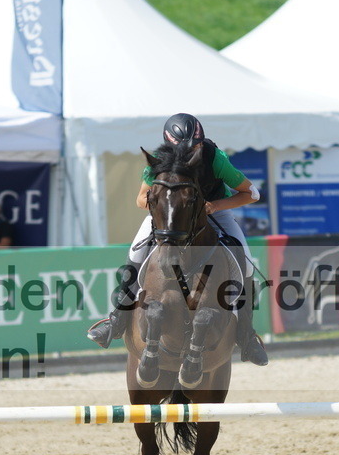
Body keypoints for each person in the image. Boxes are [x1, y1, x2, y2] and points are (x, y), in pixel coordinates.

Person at [87, 113, 268, 366]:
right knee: (136, 253)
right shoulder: (160, 160)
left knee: (246, 263)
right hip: (171, 215)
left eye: (195, 147)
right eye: (185, 148)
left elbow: (252, 193)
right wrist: (163, 204)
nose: (191, 153)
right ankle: (116, 320)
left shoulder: (215, 158)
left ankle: (247, 336)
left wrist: (215, 205)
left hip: (213, 210)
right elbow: (140, 199)